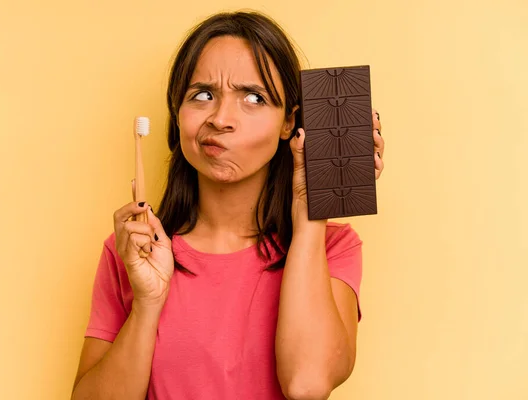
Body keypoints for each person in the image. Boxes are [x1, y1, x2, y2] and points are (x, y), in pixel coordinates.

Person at [71, 10, 385, 400]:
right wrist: (147, 304)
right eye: (202, 95)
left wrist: (309, 214)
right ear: (177, 113)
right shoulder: (135, 251)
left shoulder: (332, 248)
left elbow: (307, 385)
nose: (220, 119)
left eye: (253, 98)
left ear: (289, 123)